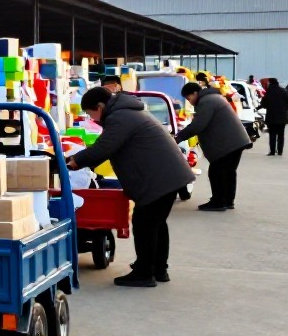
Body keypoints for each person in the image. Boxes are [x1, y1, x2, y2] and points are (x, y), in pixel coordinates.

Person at [68, 88, 195, 286]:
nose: (91, 118)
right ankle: (158, 269)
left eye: (90, 113)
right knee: (156, 224)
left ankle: (145, 273)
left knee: (145, 223)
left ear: (99, 107)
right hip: (168, 175)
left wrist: (75, 161)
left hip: (160, 178)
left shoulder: (119, 117)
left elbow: (105, 147)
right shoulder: (128, 111)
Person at [177, 81, 253, 211]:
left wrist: (178, 137)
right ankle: (227, 201)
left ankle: (219, 202)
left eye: (189, 98)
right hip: (235, 141)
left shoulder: (206, 101)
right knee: (228, 172)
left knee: (217, 172)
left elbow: (198, 125)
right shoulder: (213, 98)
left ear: (195, 93)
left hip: (228, 143)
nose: (189, 102)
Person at [259, 79, 288, 156]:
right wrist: (284, 108)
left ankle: (272, 151)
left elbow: (264, 104)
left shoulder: (268, 92)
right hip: (282, 116)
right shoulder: (282, 91)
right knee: (281, 134)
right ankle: (280, 151)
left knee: (272, 134)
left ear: (269, 83)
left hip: (272, 116)